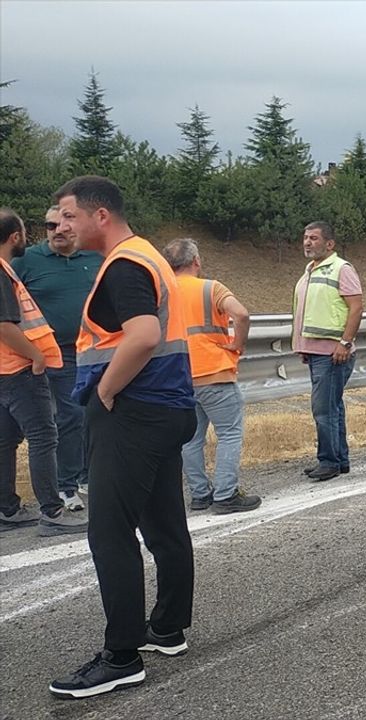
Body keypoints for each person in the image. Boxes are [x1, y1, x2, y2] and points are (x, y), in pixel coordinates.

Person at [48, 177, 197, 699]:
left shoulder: (124, 264)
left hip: (133, 409)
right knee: (163, 523)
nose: (60, 226)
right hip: (169, 406)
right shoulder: (149, 256)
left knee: (109, 533)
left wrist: (106, 391)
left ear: (100, 215)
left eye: (67, 216)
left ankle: (121, 655)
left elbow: (144, 335)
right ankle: (168, 628)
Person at [0, 209, 88, 536]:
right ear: (15, 237)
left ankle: (7, 509)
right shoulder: (3, 271)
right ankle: (53, 511)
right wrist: (36, 356)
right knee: (43, 437)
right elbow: (5, 326)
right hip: (20, 369)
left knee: (6, 440)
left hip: (4, 371)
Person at [11, 206, 104, 511]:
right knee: (66, 417)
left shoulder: (95, 258)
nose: (58, 231)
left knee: (91, 413)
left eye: (64, 226)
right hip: (51, 352)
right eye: (50, 226)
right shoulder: (27, 260)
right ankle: (66, 486)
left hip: (90, 348)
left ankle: (87, 475)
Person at [161, 238, 260, 514]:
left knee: (191, 439)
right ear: (196, 261)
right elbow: (241, 314)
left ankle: (200, 494)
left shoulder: (161, 292)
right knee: (229, 433)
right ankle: (226, 495)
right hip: (213, 372)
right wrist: (238, 344)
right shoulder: (210, 288)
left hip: (178, 375)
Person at [291, 221, 363, 482]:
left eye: (313, 238)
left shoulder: (341, 269)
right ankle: (339, 460)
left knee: (323, 409)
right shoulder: (310, 270)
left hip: (333, 351)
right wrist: (303, 345)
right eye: (305, 237)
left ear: (329, 243)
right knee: (332, 406)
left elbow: (356, 307)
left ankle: (329, 461)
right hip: (316, 350)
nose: (307, 242)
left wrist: (344, 342)